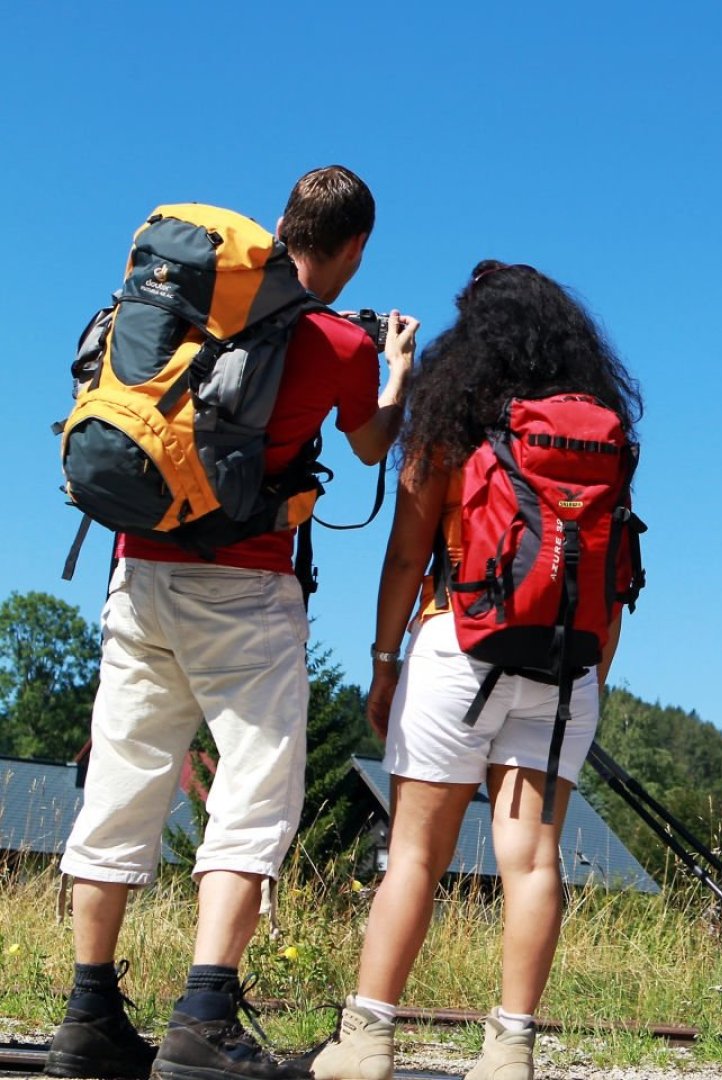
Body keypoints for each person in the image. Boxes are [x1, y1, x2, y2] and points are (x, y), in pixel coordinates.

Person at [44, 165, 419, 1080]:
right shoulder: (336, 340)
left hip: (137, 574)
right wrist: (397, 371)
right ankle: (203, 1018)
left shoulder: (178, 311)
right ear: (356, 246)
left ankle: (87, 1015)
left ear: (283, 224)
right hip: (246, 592)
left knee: (123, 787)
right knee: (252, 797)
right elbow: (371, 443)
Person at [308, 261, 642, 1080]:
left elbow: (404, 556)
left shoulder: (454, 421)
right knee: (532, 856)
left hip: (457, 645)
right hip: (568, 669)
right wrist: (588, 679)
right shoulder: (599, 434)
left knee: (416, 852)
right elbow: (614, 577)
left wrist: (384, 664)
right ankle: (511, 1049)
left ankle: (369, 1038)